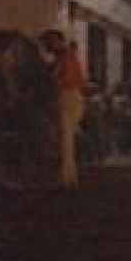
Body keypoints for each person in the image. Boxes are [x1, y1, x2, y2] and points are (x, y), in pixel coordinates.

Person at [41, 30, 88, 188]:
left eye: (48, 43)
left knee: (64, 138)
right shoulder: (67, 56)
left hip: (66, 96)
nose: (46, 46)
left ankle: (65, 177)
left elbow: (63, 79)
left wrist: (52, 81)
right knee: (66, 139)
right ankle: (69, 177)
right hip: (72, 96)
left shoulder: (63, 57)